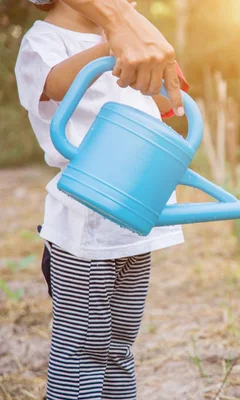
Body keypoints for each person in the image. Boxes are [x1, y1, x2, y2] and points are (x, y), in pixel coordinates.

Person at [14, 1, 189, 399]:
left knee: (119, 344)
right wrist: (113, 43)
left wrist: (160, 86)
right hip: (86, 227)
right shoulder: (43, 40)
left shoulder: (118, 41)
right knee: (82, 349)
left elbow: (144, 106)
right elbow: (55, 85)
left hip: (133, 222)